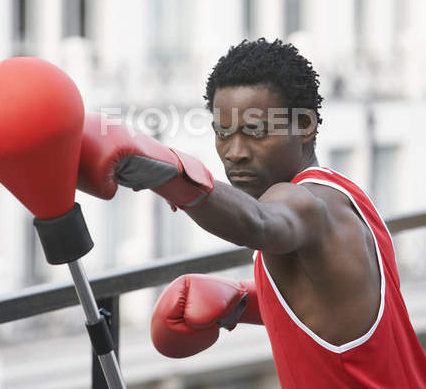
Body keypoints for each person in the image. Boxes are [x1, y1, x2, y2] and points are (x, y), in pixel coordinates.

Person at [78, 38, 426, 388]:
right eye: (223, 132)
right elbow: (334, 304)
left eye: (255, 131)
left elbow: (261, 223)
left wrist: (167, 173)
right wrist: (243, 301)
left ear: (305, 125)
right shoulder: (346, 196)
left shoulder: (303, 204)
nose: (235, 152)